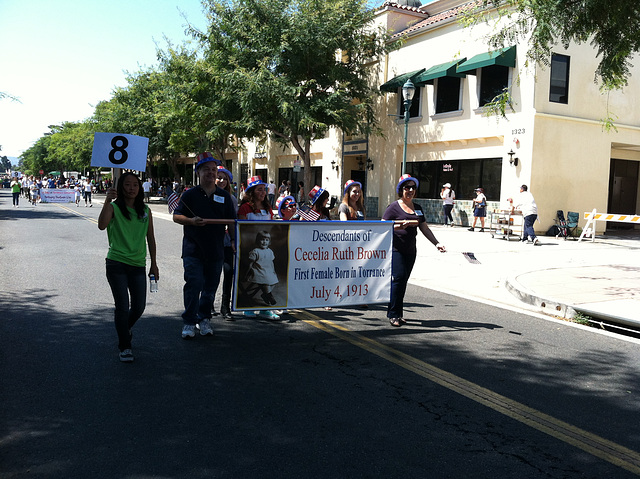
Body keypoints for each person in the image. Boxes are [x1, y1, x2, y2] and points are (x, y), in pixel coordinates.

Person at [173, 153, 236, 339]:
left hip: (215, 251)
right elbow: (177, 216)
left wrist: (233, 241)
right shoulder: (190, 194)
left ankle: (204, 318)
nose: (211, 173)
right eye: (206, 169)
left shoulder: (224, 196)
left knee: (210, 287)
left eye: (213, 170)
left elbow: (231, 222)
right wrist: (191, 221)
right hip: (193, 250)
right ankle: (189, 322)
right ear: (198, 172)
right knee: (194, 284)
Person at [98, 172, 159, 362]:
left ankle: (125, 328)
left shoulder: (146, 211)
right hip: (116, 262)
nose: (131, 188)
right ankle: (124, 345)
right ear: (121, 187)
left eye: (135, 185)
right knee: (122, 307)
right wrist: (108, 200)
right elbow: (101, 225)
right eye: (127, 185)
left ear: (140, 188)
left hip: (138, 264)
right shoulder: (115, 207)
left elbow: (151, 239)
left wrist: (154, 264)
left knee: (139, 306)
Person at [382, 174, 446, 327]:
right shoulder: (393, 207)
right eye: (407, 187)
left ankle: (398, 312)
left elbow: (424, 227)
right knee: (398, 280)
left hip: (411, 250)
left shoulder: (417, 208)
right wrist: (399, 226)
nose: (410, 190)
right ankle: (393, 314)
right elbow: (382, 226)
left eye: (413, 188)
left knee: (403, 281)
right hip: (396, 249)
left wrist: (436, 243)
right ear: (401, 190)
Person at [238, 175, 280, 320]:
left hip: (265, 254)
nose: (263, 192)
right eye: (259, 189)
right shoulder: (245, 208)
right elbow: (240, 229)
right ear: (251, 192)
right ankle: (249, 308)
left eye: (264, 189)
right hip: (251, 252)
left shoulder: (268, 208)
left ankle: (263, 308)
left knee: (272, 279)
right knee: (260, 278)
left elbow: (271, 225)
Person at [215, 165, 237, 320]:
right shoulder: (208, 196)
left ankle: (225, 307)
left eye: (225, 178)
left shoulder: (232, 199)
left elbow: (233, 222)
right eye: (219, 177)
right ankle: (207, 304)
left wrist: (234, 239)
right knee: (212, 274)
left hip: (228, 243)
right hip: (212, 242)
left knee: (228, 273)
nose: (222, 181)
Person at [244, 230, 279, 306]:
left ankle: (265, 294)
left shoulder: (269, 251)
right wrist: (247, 273)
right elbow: (250, 264)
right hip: (258, 270)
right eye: (262, 240)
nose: (264, 242)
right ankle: (269, 296)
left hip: (267, 270)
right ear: (258, 241)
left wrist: (273, 271)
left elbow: (271, 262)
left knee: (274, 281)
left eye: (266, 240)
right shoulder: (255, 251)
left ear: (269, 242)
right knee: (265, 280)